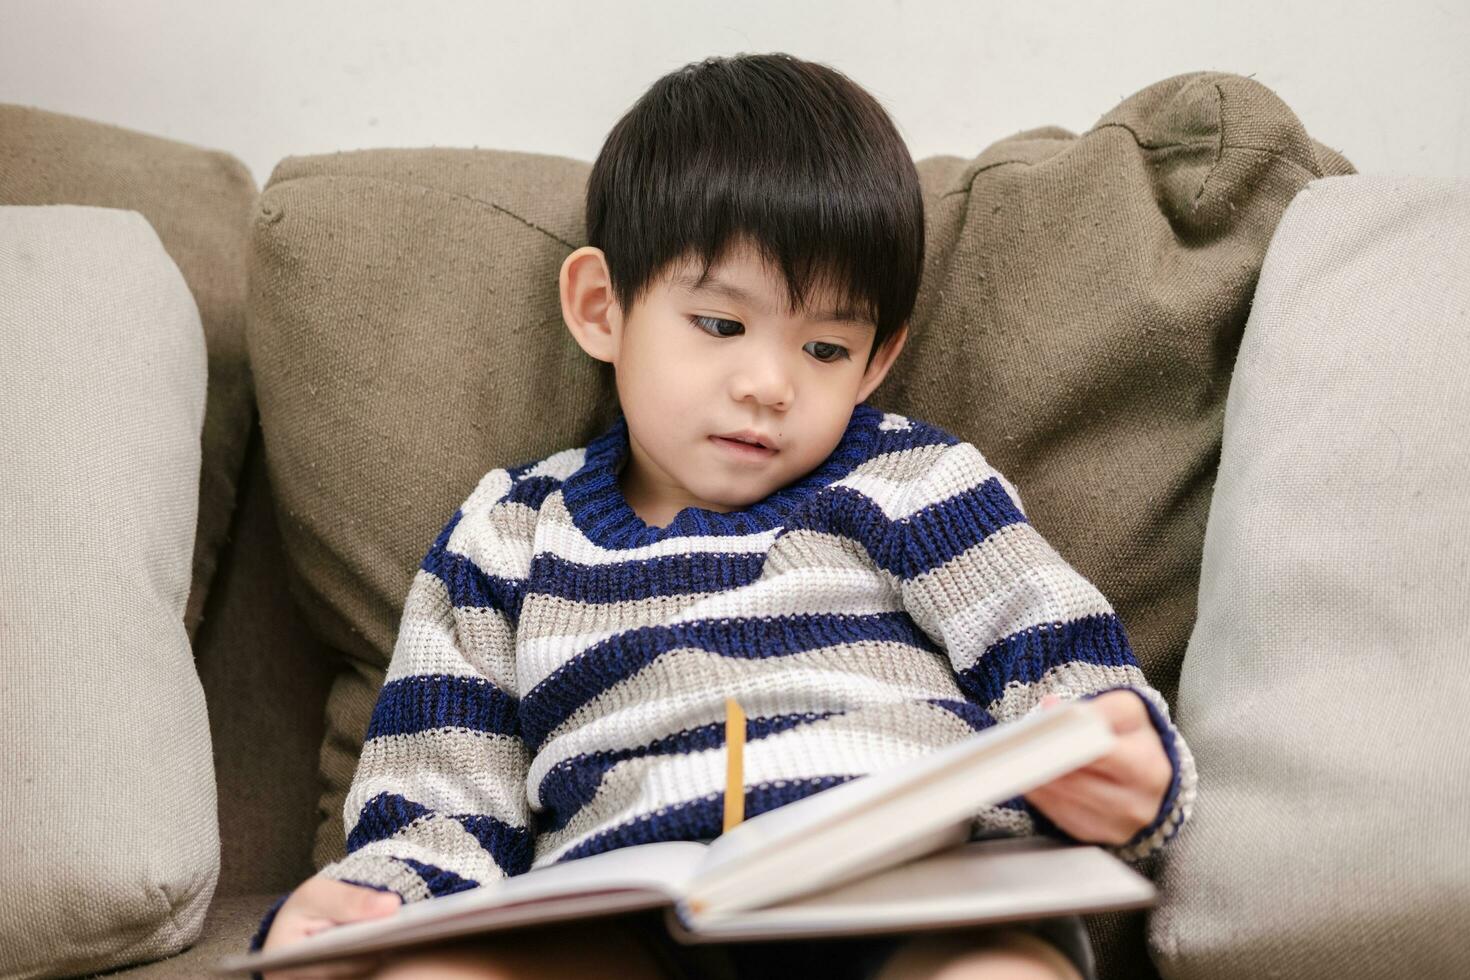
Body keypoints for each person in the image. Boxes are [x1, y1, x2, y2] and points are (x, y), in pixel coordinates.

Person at [250, 52, 1197, 980]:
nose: (768, 385)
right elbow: (442, 790)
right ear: (601, 307)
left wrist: (1108, 749)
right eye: (719, 325)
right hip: (632, 930)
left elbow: (1056, 653)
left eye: (826, 347)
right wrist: (376, 899)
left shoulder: (915, 482)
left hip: (908, 899)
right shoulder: (508, 534)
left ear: (875, 363)